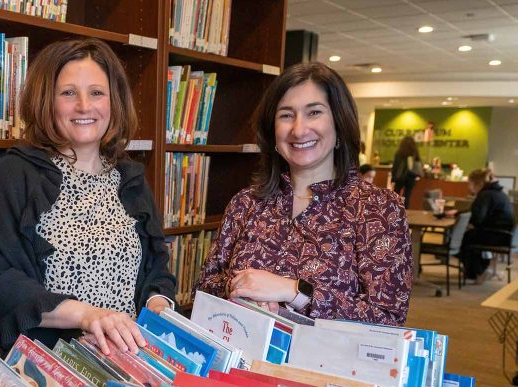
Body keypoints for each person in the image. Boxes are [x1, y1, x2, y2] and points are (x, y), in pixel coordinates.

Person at [0, 38, 175, 355]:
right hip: (44, 363)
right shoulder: (15, 175)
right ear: (46, 102)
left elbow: (156, 266)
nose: (84, 106)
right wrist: (87, 315)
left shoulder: (130, 179)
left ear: (114, 101)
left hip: (123, 360)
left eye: (96, 93)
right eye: (68, 93)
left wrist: (158, 304)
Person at [195, 62, 412, 325]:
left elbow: (388, 317)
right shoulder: (246, 203)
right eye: (286, 115)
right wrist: (244, 290)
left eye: (314, 113)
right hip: (244, 357)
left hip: (327, 363)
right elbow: (205, 287)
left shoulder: (379, 209)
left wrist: (295, 292)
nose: (299, 130)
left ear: (339, 123)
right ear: (272, 130)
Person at [459, 168, 515, 283]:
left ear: (478, 184)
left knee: (463, 239)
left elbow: (477, 218)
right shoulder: (498, 193)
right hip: (506, 236)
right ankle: (481, 269)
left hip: (496, 236)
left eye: (470, 184)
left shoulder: (485, 195)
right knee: (469, 236)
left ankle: (478, 271)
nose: (469, 188)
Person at [392, 135, 423, 208]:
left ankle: (394, 209)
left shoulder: (399, 153)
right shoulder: (414, 153)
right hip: (411, 177)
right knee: (407, 195)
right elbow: (418, 165)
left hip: (400, 177)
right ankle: (405, 211)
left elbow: (395, 166)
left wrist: (393, 177)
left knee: (396, 194)